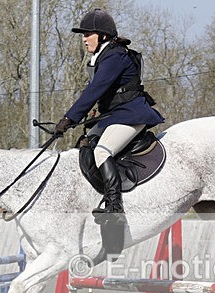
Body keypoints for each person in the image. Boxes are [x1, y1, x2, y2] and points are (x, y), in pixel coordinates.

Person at [54, 8, 164, 224]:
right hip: (116, 115)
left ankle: (115, 208)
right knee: (84, 145)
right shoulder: (103, 55)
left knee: (102, 152)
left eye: (88, 34)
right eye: (83, 35)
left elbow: (94, 90)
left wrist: (68, 119)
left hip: (131, 115)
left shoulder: (114, 56)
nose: (84, 40)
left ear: (103, 36)